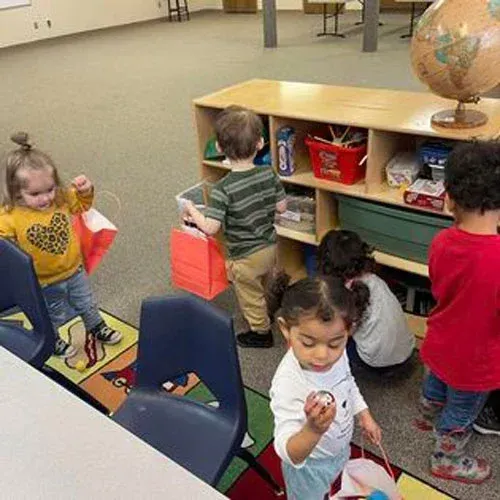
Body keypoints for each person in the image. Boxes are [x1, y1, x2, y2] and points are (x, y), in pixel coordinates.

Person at [419, 141, 500, 484]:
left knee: (437, 379)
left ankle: (428, 409)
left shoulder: (441, 241)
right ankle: (446, 458)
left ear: (448, 197)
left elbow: (440, 287)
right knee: (463, 409)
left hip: (440, 339)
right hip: (476, 360)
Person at [0, 132, 122, 358]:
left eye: (49, 189)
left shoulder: (61, 199)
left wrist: (86, 190)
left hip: (74, 269)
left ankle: (96, 326)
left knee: (87, 302)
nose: (46, 198)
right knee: (53, 312)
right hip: (44, 280)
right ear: (16, 192)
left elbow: (82, 206)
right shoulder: (10, 216)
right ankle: (53, 339)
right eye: (35, 194)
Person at [268, 271, 381, 500]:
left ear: (347, 332)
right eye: (308, 343)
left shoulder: (339, 357)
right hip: (309, 467)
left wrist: (364, 414)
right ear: (285, 329)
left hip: (339, 451)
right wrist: (313, 430)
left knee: (337, 488)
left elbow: (347, 382)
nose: (322, 355)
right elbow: (286, 450)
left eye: (335, 343)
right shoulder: (288, 383)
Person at [183, 105, 287, 348]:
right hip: (270, 247)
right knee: (263, 283)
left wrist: (192, 211)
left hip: (245, 256)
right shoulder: (268, 173)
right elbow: (281, 208)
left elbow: (210, 228)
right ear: (260, 143)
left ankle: (261, 333)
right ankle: (267, 310)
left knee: (249, 295)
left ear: (219, 149)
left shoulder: (222, 189)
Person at [317, 229, 415, 375]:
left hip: (377, 364)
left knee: (330, 334)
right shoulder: (376, 281)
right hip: (407, 353)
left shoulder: (346, 294)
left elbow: (342, 332)